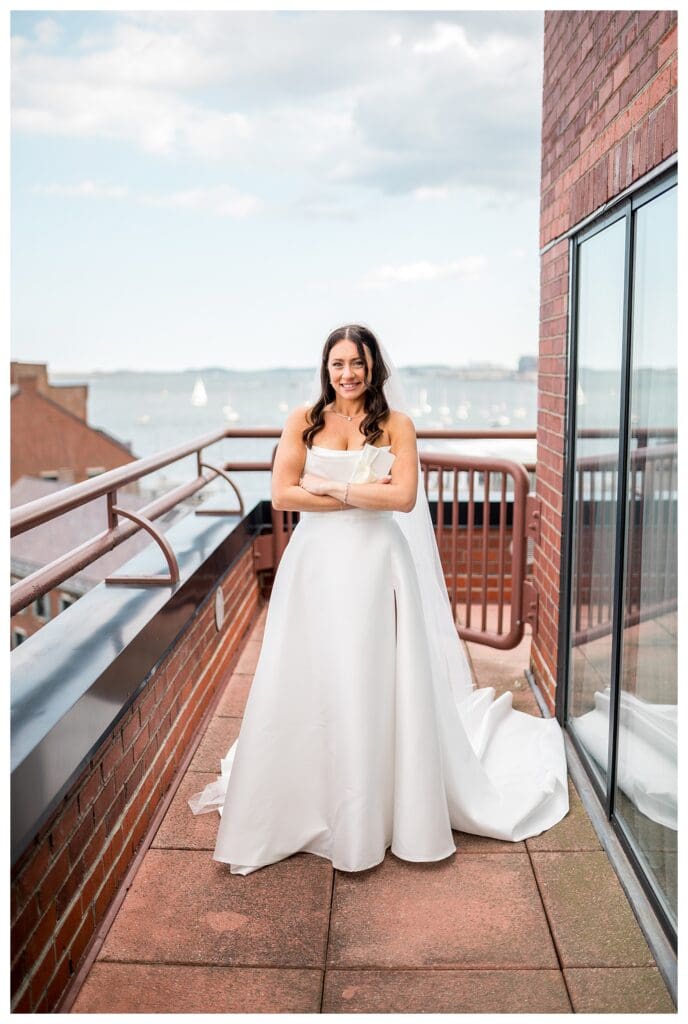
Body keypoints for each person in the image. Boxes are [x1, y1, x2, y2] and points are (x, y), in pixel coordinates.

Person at [188, 324, 569, 874]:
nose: (348, 374)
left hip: (378, 565)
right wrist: (363, 496)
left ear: (374, 369)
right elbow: (283, 493)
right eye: (339, 363)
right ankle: (315, 796)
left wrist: (335, 489)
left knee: (376, 671)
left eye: (358, 364)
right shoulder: (304, 420)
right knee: (314, 669)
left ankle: (383, 805)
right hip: (315, 566)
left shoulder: (396, 425)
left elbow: (404, 496)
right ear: (326, 368)